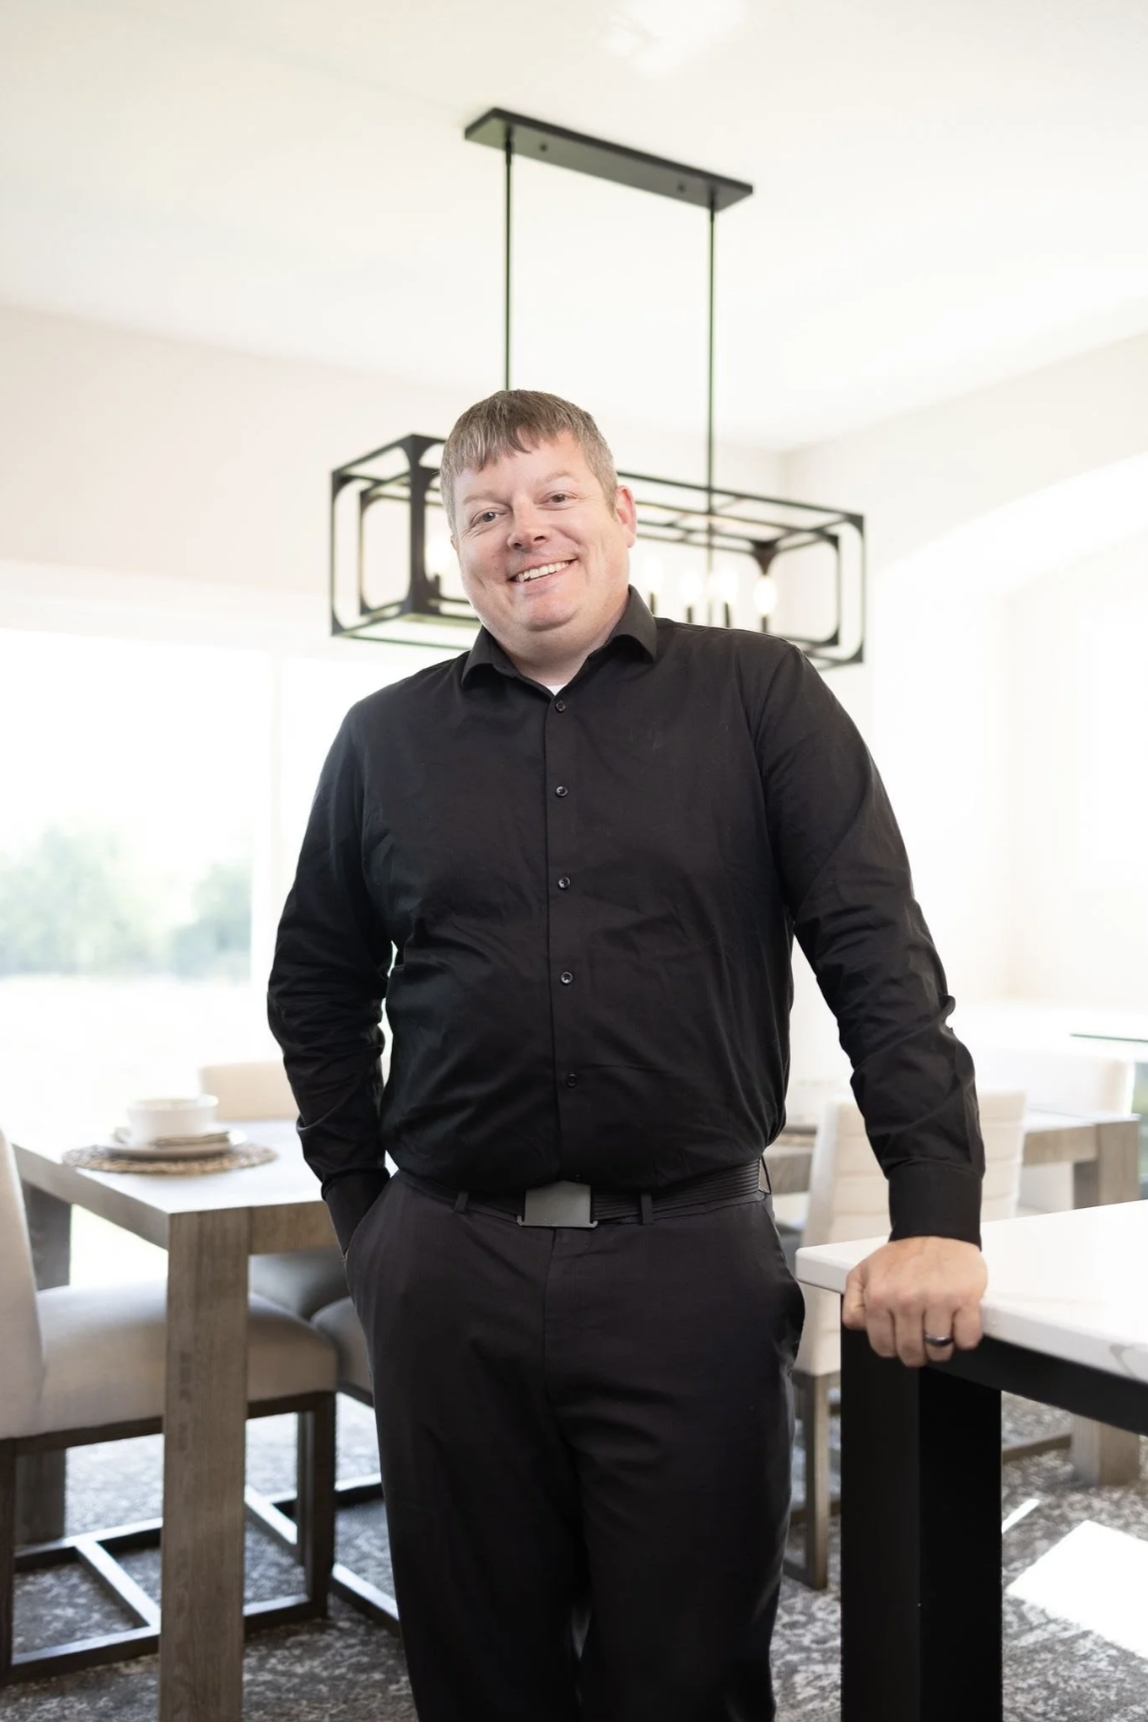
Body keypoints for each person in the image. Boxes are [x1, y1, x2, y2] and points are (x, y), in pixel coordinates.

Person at [268, 389, 988, 1722]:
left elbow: (877, 953)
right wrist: (366, 1220)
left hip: (689, 1273)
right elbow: (315, 986)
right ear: (456, 551)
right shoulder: (381, 740)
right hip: (448, 1270)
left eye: (551, 496)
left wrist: (934, 1207)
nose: (521, 532)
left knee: (687, 1677)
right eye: (484, 513)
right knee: (480, 1677)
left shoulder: (762, 695)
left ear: (622, 515)